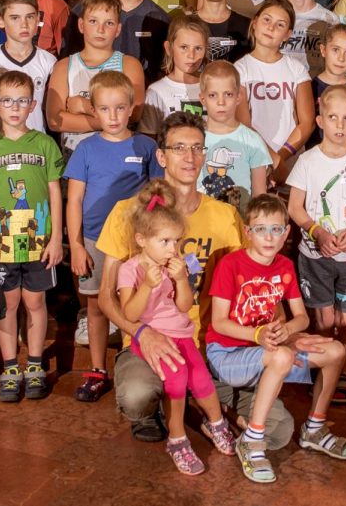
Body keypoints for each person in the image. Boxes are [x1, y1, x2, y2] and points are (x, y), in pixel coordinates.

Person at [97, 113, 275, 445]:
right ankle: (161, 404)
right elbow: (106, 297)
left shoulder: (224, 216)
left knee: (277, 431)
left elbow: (247, 286)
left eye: (197, 148)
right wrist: (142, 333)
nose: (189, 157)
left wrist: (275, 327)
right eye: (179, 148)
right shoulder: (127, 213)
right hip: (149, 340)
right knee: (137, 396)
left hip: (208, 345)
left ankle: (198, 400)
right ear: (161, 156)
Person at [206, 194, 346, 483]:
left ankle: (314, 428)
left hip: (270, 348)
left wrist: (288, 332)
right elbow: (219, 323)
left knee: (336, 351)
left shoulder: (285, 266)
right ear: (247, 232)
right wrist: (258, 334)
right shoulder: (231, 264)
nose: (269, 237)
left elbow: (301, 317)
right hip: (227, 354)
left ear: (287, 232)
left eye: (276, 229)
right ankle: (251, 440)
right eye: (261, 229)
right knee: (282, 355)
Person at [118, 181, 237, 475]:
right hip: (152, 338)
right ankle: (177, 438)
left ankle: (216, 423)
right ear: (142, 239)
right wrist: (147, 286)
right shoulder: (130, 269)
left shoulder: (179, 263)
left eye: (176, 241)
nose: (173, 248)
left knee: (201, 380)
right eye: (165, 241)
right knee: (176, 380)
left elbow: (184, 306)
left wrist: (182, 279)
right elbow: (129, 313)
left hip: (183, 334)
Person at [65, 70, 162, 404]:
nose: (113, 116)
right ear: (93, 110)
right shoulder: (85, 149)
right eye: (105, 109)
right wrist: (76, 244)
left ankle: (132, 364)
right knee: (96, 305)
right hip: (94, 240)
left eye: (120, 108)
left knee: (133, 304)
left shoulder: (146, 146)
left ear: (132, 108)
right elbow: (74, 200)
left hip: (134, 243)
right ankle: (97, 369)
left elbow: (158, 195)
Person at [0, 70, 64, 402]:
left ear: (32, 105)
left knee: (35, 302)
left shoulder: (44, 144)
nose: (15, 107)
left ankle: (35, 364)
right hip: (1, 241)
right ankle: (11, 368)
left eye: (22, 101)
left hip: (39, 239)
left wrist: (56, 238)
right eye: (8, 101)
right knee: (8, 304)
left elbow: (55, 193)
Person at [287, 85, 346, 401]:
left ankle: (344, 370)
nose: (340, 125)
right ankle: (323, 367)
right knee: (325, 319)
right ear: (320, 121)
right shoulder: (307, 161)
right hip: (316, 256)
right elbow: (295, 207)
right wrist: (318, 233)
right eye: (333, 118)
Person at [46, 0, 145, 155]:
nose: (100, 29)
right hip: (74, 154)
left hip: (117, 153)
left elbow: (134, 113)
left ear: (118, 29)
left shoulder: (129, 65)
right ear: (81, 25)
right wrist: (112, 121)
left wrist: (84, 106)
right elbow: (55, 121)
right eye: (93, 21)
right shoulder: (64, 66)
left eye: (109, 23)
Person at [234, 0, 315, 181]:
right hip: (255, 159)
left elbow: (307, 122)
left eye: (280, 25)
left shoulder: (296, 69)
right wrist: (270, 160)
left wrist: (280, 159)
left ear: (288, 34)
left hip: (290, 160)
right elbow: (244, 124)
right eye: (267, 20)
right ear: (255, 22)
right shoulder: (239, 69)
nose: (271, 28)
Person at [0, 0, 56, 134]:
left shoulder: (49, 62)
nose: (24, 25)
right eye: (15, 18)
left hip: (36, 143)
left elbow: (52, 113)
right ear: (0, 20)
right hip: (0, 145)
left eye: (30, 17)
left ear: (38, 19)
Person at [197, 61, 271, 209]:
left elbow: (259, 197)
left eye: (228, 94)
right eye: (213, 95)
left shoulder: (253, 141)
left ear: (238, 97)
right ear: (203, 99)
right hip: (202, 219)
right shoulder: (194, 139)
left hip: (239, 219)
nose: (221, 102)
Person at [140, 13, 208, 138]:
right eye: (184, 47)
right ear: (169, 48)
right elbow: (148, 140)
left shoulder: (212, 87)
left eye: (198, 48)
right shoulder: (156, 91)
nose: (191, 55)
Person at [310, 23, 346, 150]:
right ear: (323, 50)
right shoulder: (310, 88)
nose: (341, 58)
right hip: (318, 154)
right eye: (336, 50)